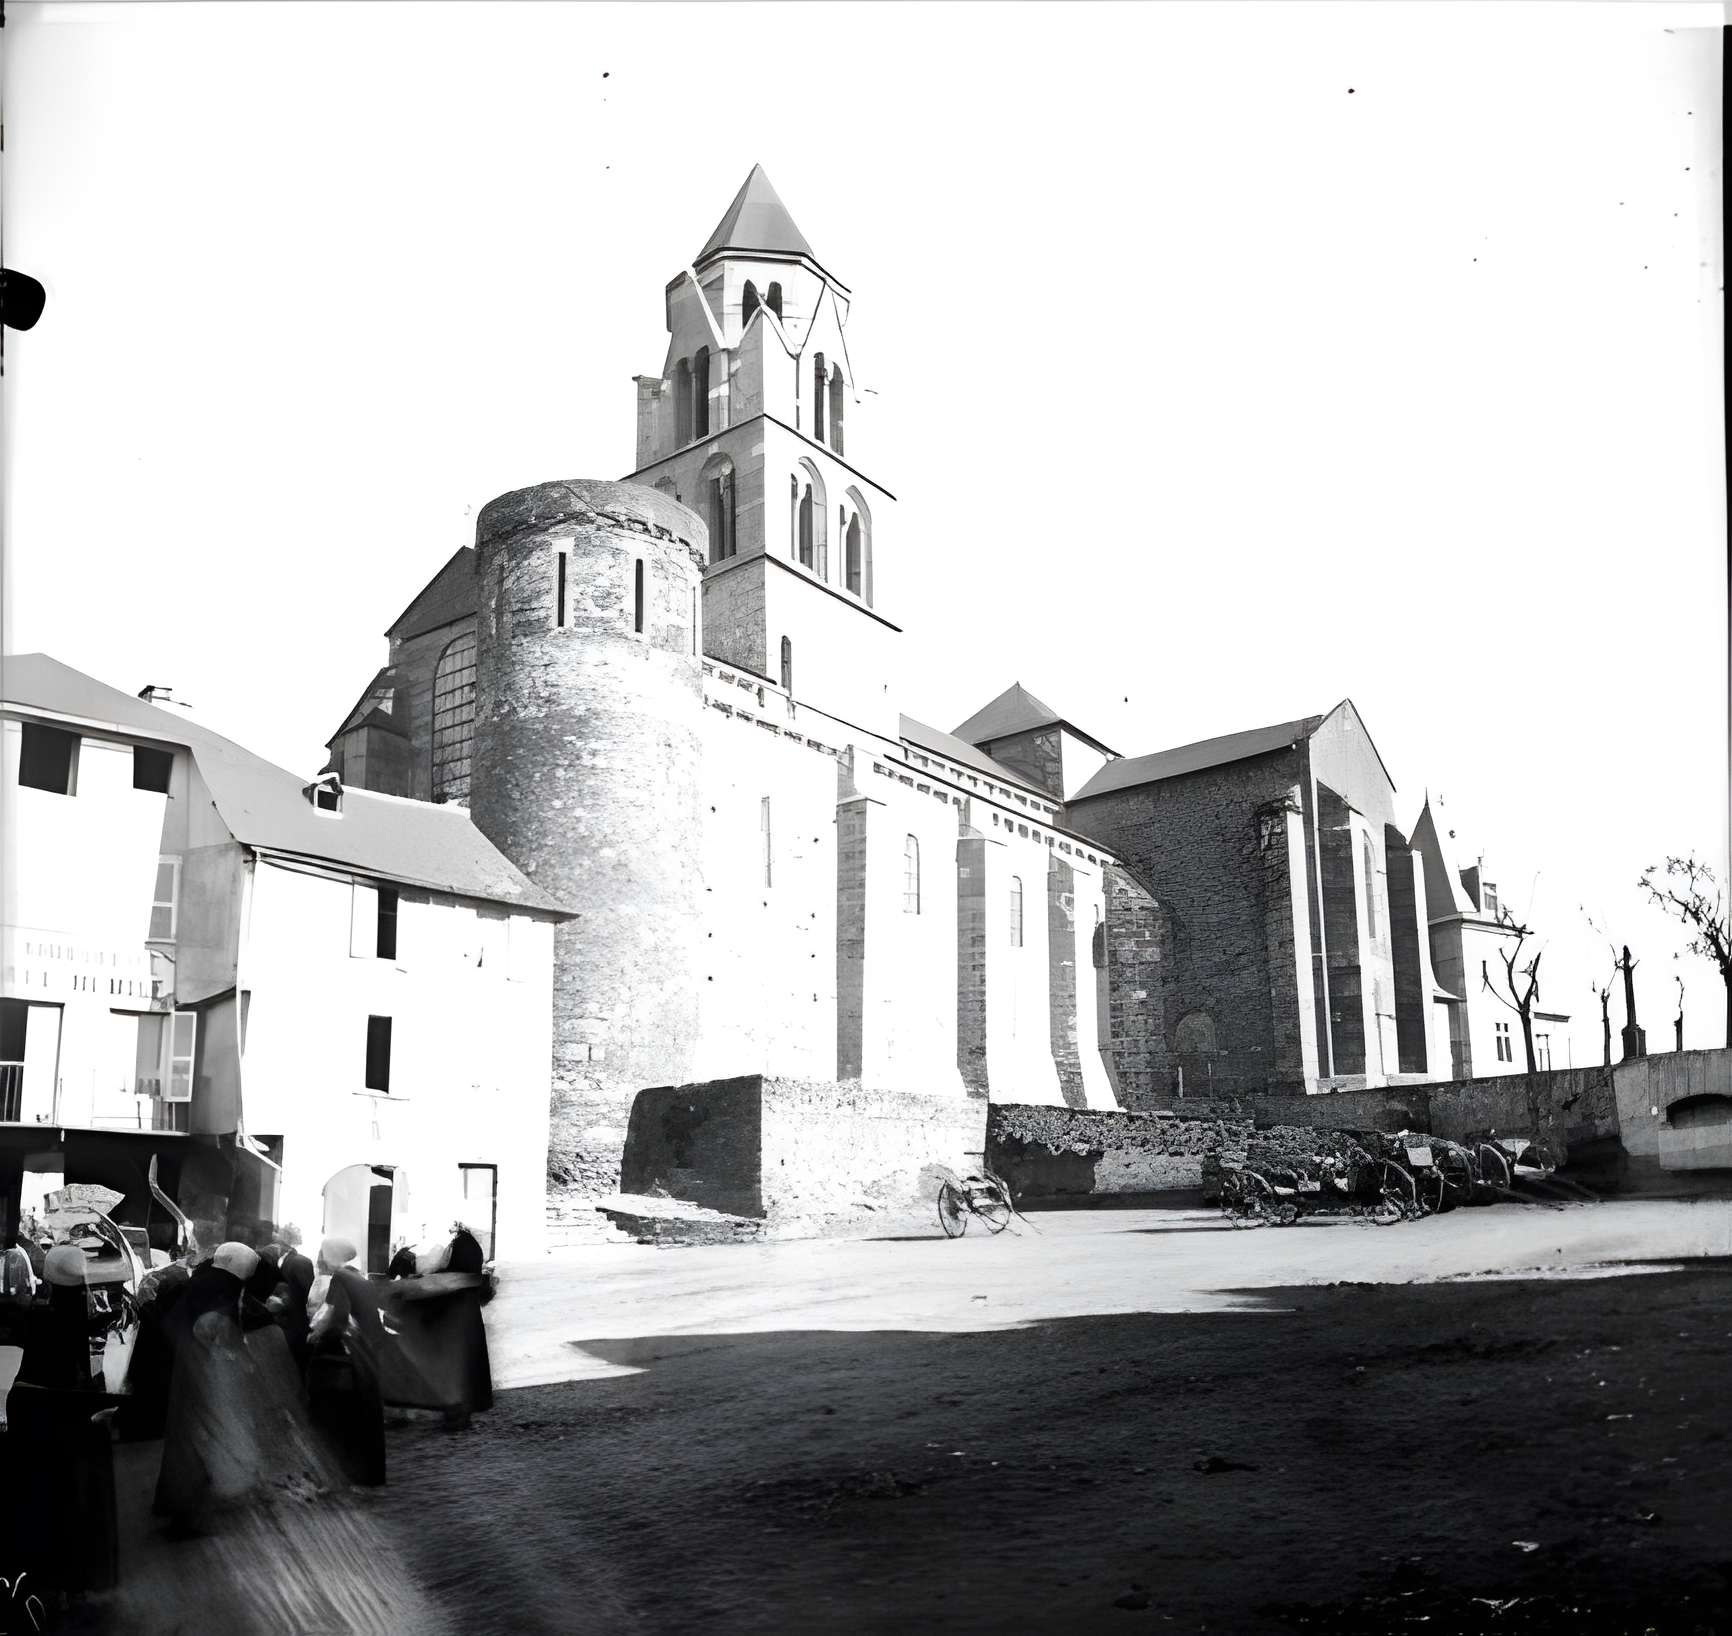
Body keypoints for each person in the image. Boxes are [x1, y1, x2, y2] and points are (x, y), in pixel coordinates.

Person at [153, 1240, 261, 1535]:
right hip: (206, 1372)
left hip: (184, 1369)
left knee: (183, 1439)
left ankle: (175, 1507)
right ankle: (190, 1516)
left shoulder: (200, 1281)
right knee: (202, 1440)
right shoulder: (224, 1289)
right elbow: (223, 1335)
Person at [383, 1222, 493, 1431]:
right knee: (459, 1367)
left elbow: (446, 1277)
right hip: (459, 1309)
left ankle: (457, 1414)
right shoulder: (464, 1244)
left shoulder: (460, 1247)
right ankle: (457, 1413)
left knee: (454, 1366)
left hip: (456, 1311)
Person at [305, 1236, 387, 1486]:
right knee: (364, 1416)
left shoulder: (340, 1278)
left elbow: (337, 1315)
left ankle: (342, 1476)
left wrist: (315, 1335)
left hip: (346, 1354)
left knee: (338, 1416)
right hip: (366, 1354)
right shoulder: (362, 1279)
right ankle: (367, 1476)